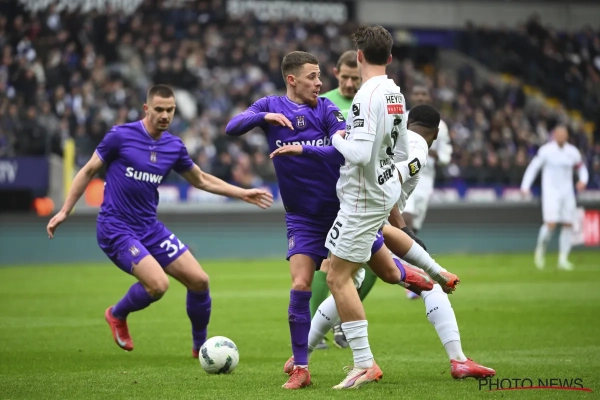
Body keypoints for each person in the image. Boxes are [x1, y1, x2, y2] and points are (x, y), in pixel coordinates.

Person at [227, 51, 437, 390]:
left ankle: (412, 275)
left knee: (386, 272)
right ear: (292, 79)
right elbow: (232, 127)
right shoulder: (270, 106)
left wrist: (302, 149)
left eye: (320, 76)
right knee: (300, 285)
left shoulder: (326, 109)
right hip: (301, 217)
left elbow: (346, 150)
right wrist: (264, 116)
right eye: (312, 76)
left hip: (341, 210)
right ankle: (301, 368)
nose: (320, 82)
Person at [46, 84, 273, 358]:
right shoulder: (120, 136)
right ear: (146, 109)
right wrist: (65, 210)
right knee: (158, 285)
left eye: (170, 110)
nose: (165, 115)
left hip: (149, 227)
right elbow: (87, 171)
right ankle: (116, 314)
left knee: (199, 281)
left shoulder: (173, 146)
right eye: (159, 109)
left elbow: (201, 179)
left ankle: (200, 349)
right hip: (116, 227)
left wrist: (242, 193)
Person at [283, 105, 494, 380]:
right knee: (430, 286)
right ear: (436, 133)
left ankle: (301, 356)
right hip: (371, 221)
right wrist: (402, 227)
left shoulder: (393, 139)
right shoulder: (418, 146)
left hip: (355, 217)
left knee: (345, 283)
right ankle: (458, 360)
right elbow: (390, 181)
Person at [322, 25, 457, 390]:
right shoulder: (395, 93)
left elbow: (359, 153)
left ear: (359, 56)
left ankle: (364, 363)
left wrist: (336, 137)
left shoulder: (366, 95)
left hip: (363, 196)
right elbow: (398, 152)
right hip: (380, 190)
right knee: (358, 267)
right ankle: (430, 275)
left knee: (338, 277)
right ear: (390, 57)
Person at [314, 50, 378, 350]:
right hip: (330, 192)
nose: (351, 83)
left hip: (364, 194)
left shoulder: (369, 103)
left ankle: (341, 317)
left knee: (376, 262)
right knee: (326, 263)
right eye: (346, 77)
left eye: (356, 78)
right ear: (336, 73)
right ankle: (317, 328)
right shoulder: (322, 102)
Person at [403, 84, 452, 300]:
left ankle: (410, 270)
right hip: (405, 174)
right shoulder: (401, 118)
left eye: (423, 94)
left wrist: (428, 151)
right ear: (411, 96)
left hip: (425, 179)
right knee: (406, 221)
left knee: (413, 227)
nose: (420, 97)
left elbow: (445, 156)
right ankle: (411, 278)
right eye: (416, 94)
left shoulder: (440, 125)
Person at [520, 125, 588, 270]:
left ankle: (563, 259)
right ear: (555, 135)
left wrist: (583, 180)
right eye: (559, 134)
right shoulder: (546, 151)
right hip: (551, 193)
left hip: (568, 193)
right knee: (551, 224)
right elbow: (533, 168)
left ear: (567, 136)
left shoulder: (572, 152)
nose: (561, 137)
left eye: (564, 134)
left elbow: (581, 167)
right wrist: (525, 186)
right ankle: (540, 250)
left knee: (568, 224)